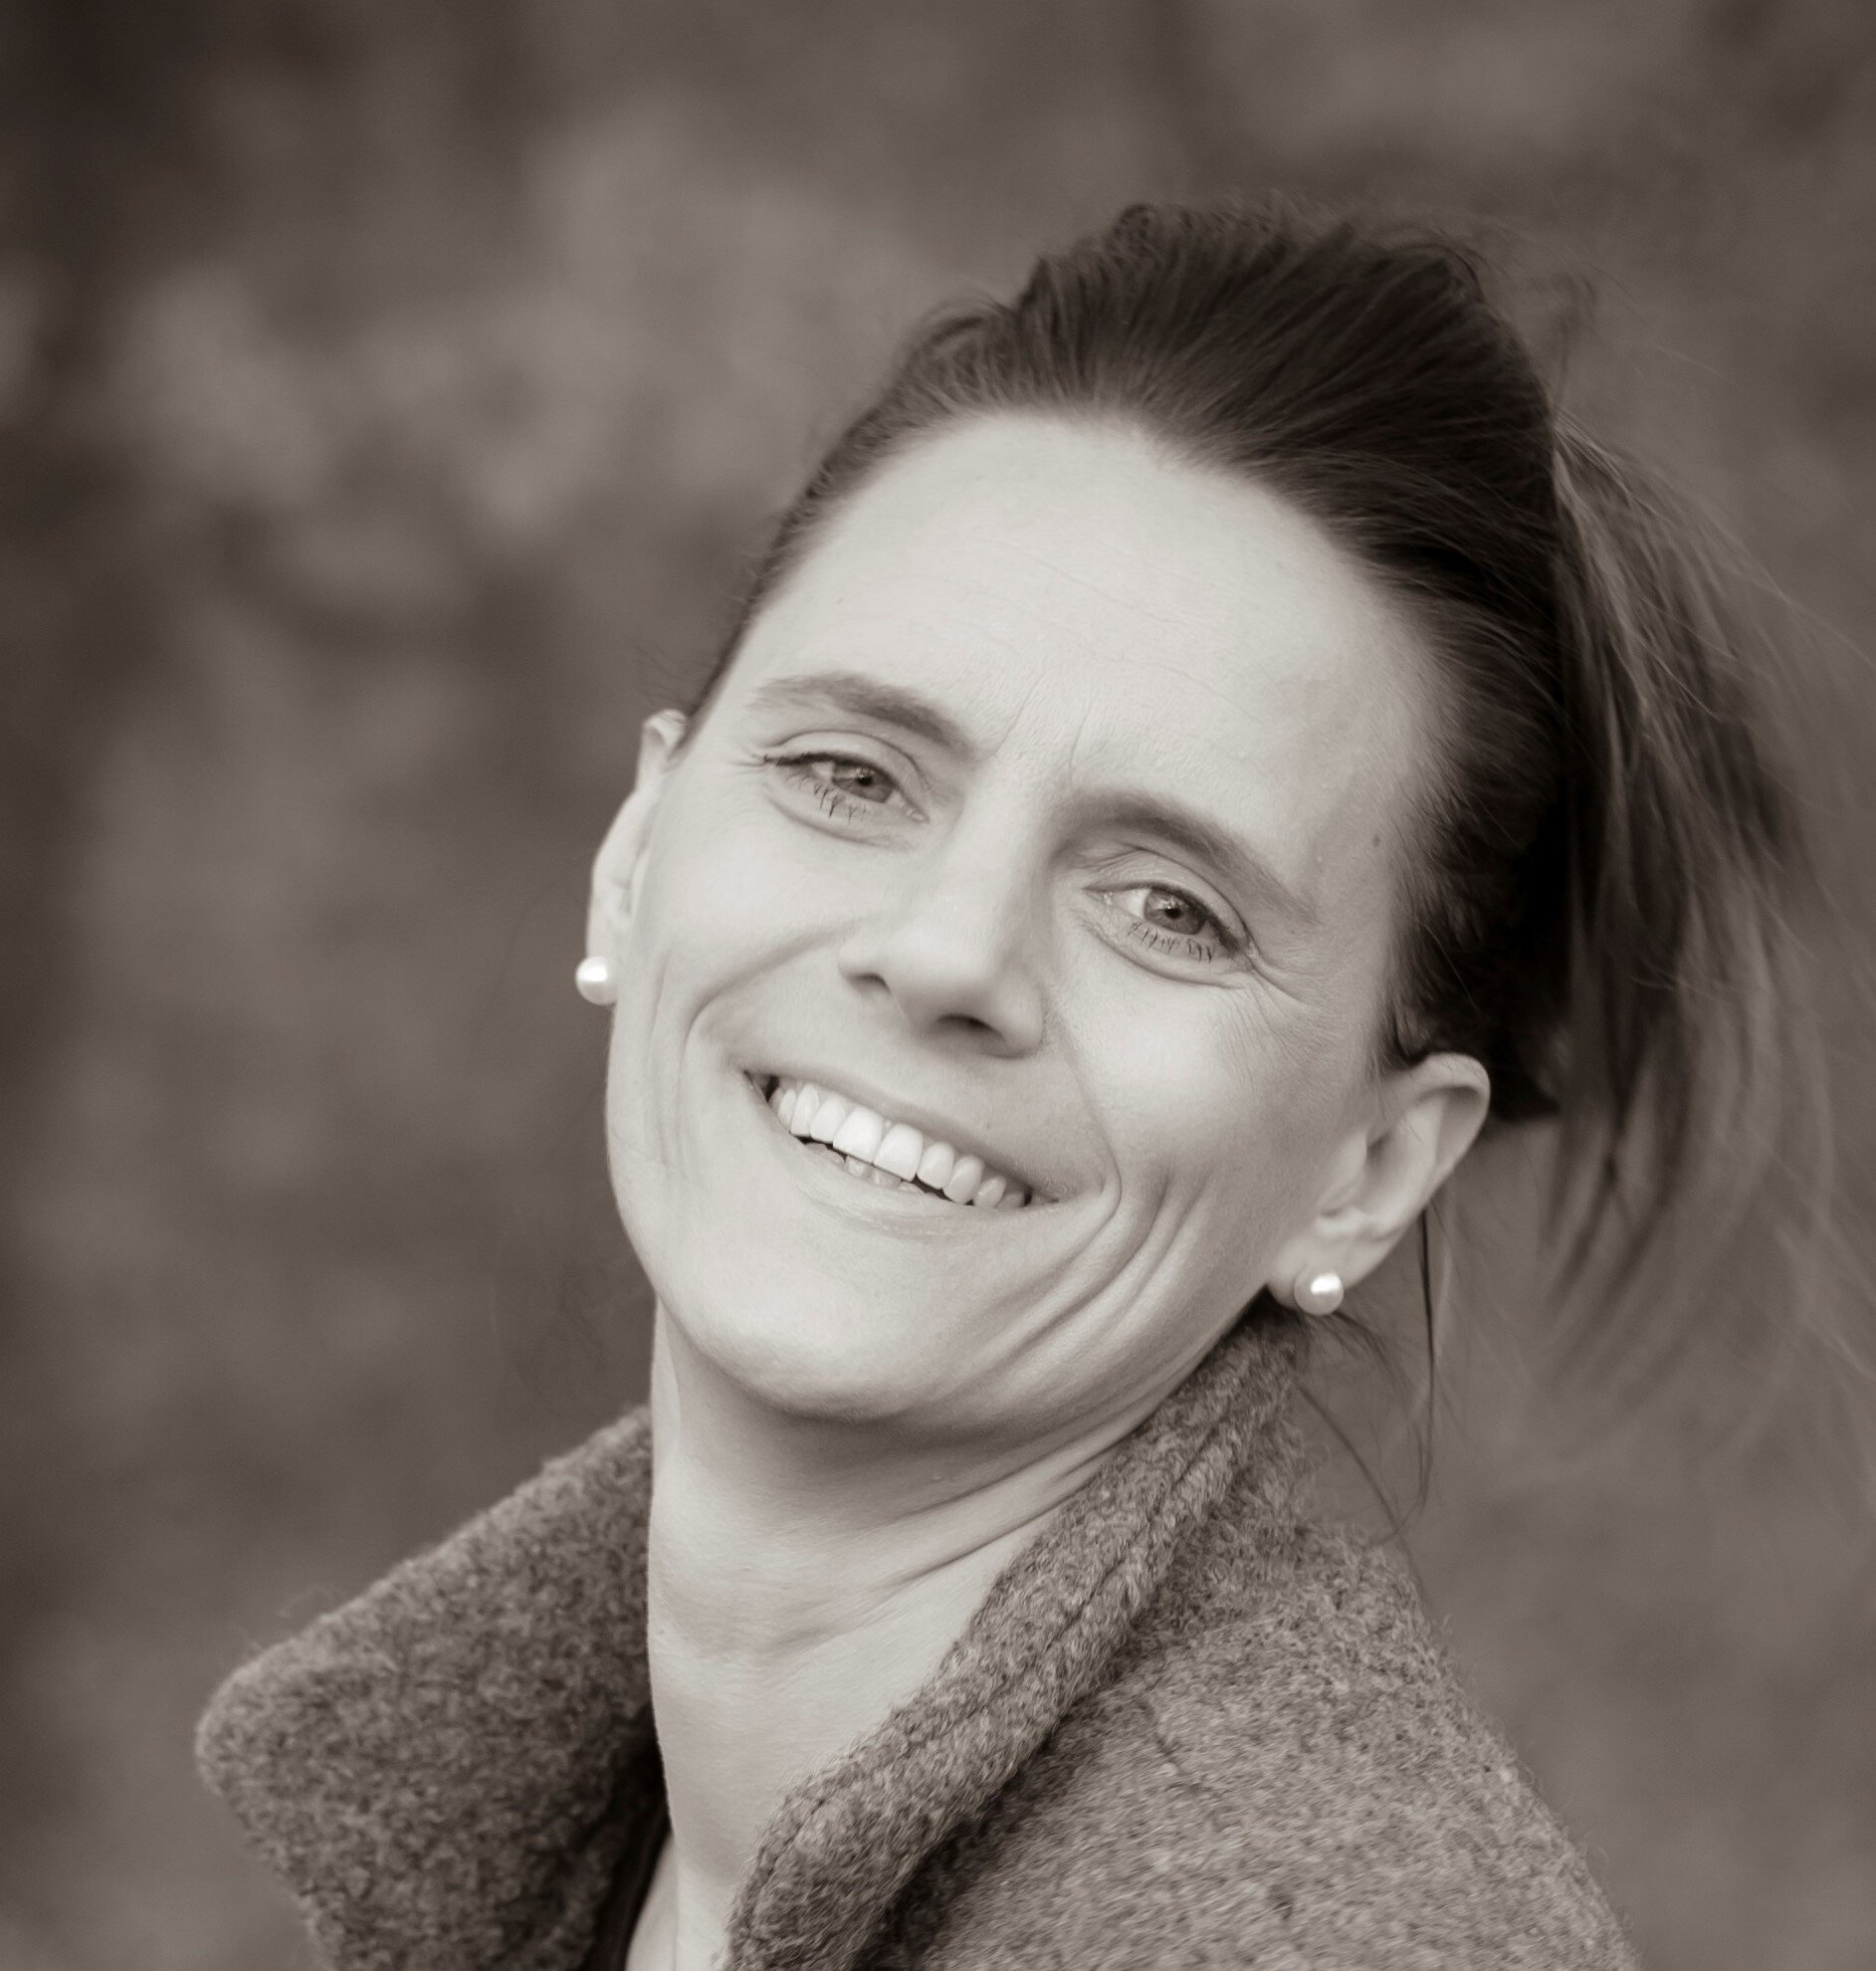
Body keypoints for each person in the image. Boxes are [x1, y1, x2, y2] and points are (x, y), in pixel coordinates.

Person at [196, 198, 1821, 1970]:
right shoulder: (600, 1841)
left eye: (1169, 907)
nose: (947, 952)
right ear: (636, 852)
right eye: (849, 774)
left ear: (1369, 1169)